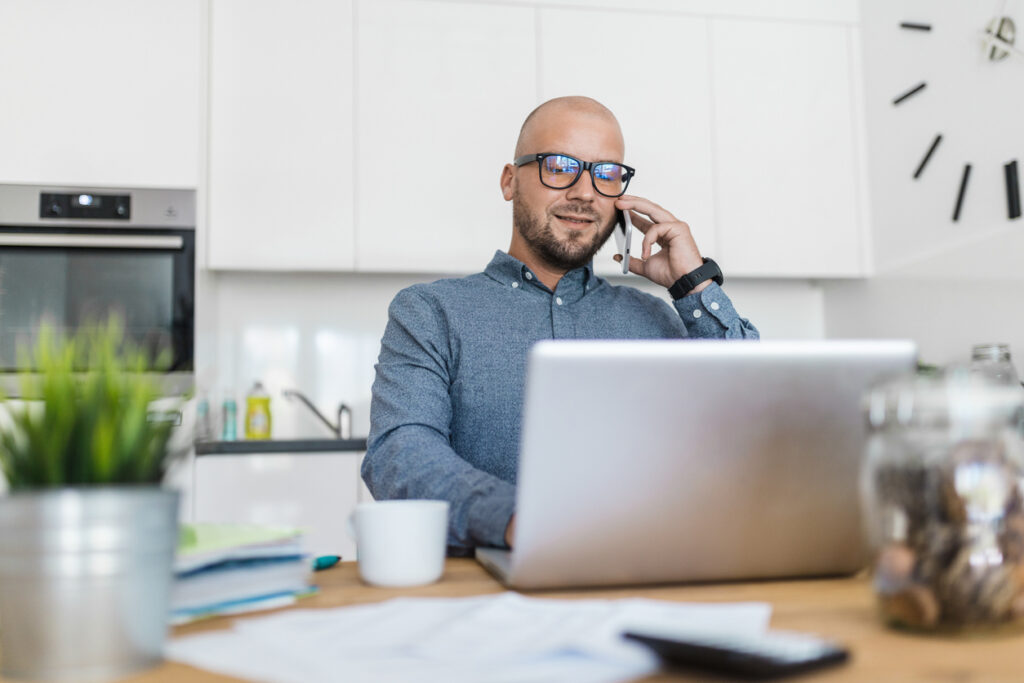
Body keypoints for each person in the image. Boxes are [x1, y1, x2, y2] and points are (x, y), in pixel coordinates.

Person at [363, 96, 758, 555]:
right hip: (487, 589)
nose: (585, 193)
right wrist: (523, 520)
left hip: (643, 575)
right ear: (510, 181)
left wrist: (694, 287)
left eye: (606, 173)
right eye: (559, 166)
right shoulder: (430, 312)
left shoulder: (657, 321)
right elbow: (400, 455)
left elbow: (756, 427)